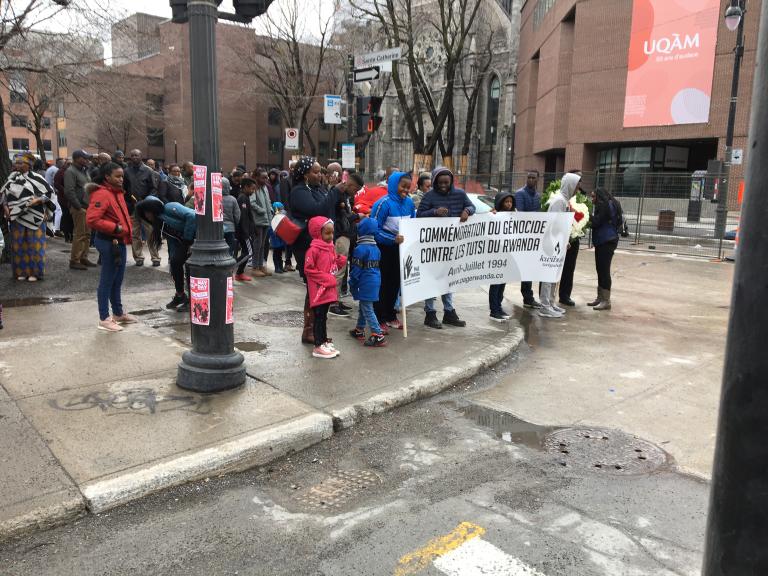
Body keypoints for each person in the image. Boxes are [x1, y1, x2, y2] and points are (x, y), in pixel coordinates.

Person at [416, 166, 475, 329]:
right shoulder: (429, 196)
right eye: (440, 182)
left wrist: (467, 211)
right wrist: (434, 211)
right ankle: (430, 312)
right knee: (432, 279)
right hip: (433, 246)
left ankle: (449, 312)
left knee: (449, 278)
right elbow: (419, 215)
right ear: (435, 182)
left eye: (446, 182)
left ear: (451, 182)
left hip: (453, 245)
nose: (443, 185)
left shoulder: (460, 194)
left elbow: (472, 207)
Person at [289, 157, 339, 344]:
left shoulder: (317, 189)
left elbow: (328, 212)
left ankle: (315, 330)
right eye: (316, 172)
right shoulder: (299, 192)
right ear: (304, 174)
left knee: (317, 288)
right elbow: (319, 210)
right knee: (313, 286)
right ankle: (309, 330)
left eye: (320, 172)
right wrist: (333, 191)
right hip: (306, 246)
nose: (320, 175)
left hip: (320, 246)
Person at [86, 162, 136, 332]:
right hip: (109, 242)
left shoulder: (117, 192)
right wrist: (115, 228)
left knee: (117, 279)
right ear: (107, 177)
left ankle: (118, 313)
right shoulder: (102, 194)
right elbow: (92, 220)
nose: (121, 179)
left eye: (122, 176)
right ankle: (104, 318)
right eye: (117, 176)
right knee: (107, 280)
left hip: (118, 241)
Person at [0, 152, 55, 281]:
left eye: (20, 163)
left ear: (28, 165)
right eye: (16, 163)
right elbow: (4, 196)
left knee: (34, 245)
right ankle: (21, 272)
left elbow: (49, 194)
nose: (17, 165)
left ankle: (35, 273)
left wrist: (37, 201)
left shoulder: (37, 178)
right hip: (16, 217)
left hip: (35, 216)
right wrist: (6, 208)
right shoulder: (12, 178)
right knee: (18, 245)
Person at [136, 196, 196, 312]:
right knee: (175, 264)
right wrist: (173, 256)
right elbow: (172, 240)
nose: (147, 216)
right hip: (184, 243)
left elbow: (192, 216)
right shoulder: (159, 223)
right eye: (144, 214)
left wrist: (187, 240)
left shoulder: (170, 207)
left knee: (190, 268)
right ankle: (180, 295)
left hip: (195, 239)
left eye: (147, 212)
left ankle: (193, 299)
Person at [372, 171, 415, 332]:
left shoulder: (409, 203)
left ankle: (390, 315)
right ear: (393, 184)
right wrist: (391, 239)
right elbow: (373, 228)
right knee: (382, 284)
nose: (405, 190)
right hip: (384, 249)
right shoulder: (383, 204)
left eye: (408, 187)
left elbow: (413, 223)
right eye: (402, 186)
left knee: (395, 284)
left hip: (401, 250)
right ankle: (379, 317)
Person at [538, 171, 581, 319]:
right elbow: (553, 224)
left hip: (558, 244)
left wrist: (565, 241)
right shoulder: (559, 202)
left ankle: (550, 302)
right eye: (575, 186)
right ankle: (544, 305)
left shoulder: (564, 201)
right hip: (552, 244)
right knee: (548, 275)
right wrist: (561, 241)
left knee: (554, 275)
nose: (577, 190)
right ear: (570, 185)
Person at [304, 216, 346, 359]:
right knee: (319, 317)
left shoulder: (330, 247)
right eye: (327, 233)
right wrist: (326, 278)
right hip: (319, 291)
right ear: (318, 233)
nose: (331, 236)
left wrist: (339, 261)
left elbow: (332, 265)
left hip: (327, 289)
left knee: (324, 317)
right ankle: (318, 345)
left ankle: (323, 341)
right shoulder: (313, 250)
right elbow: (309, 270)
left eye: (332, 233)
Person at [348, 217, 386, 347]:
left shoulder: (360, 249)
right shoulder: (377, 249)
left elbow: (356, 270)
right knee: (364, 306)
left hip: (365, 282)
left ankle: (378, 334)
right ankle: (359, 329)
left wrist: (352, 283)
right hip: (376, 281)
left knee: (368, 308)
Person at [589, 187, 622, 311]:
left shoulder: (605, 206)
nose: (592, 199)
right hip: (606, 240)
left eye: (593, 197)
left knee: (604, 270)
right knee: (600, 269)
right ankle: (600, 297)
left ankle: (606, 300)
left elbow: (596, 222)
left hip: (606, 241)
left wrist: (586, 215)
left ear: (599, 196)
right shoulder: (610, 203)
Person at [124, 149, 160, 267]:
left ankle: (155, 257)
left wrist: (147, 201)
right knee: (135, 233)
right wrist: (128, 201)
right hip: (133, 207)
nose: (134, 157)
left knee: (150, 232)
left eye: (137, 155)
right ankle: (138, 257)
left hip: (145, 206)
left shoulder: (148, 171)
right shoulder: (126, 171)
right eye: (132, 155)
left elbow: (154, 188)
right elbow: (124, 188)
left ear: (141, 157)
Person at [515, 170, 543, 309]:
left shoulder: (538, 196)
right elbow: (521, 214)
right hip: (523, 237)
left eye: (533, 178)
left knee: (530, 269)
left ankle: (529, 297)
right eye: (529, 177)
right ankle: (527, 296)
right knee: (525, 269)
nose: (530, 180)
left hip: (534, 237)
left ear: (538, 179)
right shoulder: (520, 193)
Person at [64, 149, 95, 270]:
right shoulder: (70, 171)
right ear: (77, 159)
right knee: (80, 234)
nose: (87, 160)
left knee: (87, 234)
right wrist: (79, 207)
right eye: (84, 158)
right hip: (79, 208)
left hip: (87, 207)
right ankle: (74, 260)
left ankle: (83, 257)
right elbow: (69, 191)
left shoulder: (84, 170)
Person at [489, 191, 516, 322]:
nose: (509, 204)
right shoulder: (494, 215)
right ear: (500, 203)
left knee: (502, 283)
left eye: (510, 202)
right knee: (495, 283)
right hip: (496, 255)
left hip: (507, 255)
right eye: (506, 202)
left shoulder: (513, 215)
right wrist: (491, 215)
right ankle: (494, 310)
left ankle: (499, 307)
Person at [558, 171, 584, 308]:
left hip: (573, 238)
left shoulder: (579, 198)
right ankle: (547, 301)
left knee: (569, 268)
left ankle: (565, 295)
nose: (578, 186)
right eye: (577, 182)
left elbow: (583, 215)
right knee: (554, 269)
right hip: (560, 241)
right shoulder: (559, 199)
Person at [250, 168, 274, 277]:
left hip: (266, 220)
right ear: (256, 177)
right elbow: (252, 202)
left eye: (266, 177)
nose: (266, 179)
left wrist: (271, 210)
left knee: (263, 244)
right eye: (263, 177)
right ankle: (255, 267)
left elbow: (268, 201)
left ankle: (261, 265)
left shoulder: (265, 187)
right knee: (257, 244)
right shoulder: (254, 188)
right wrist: (263, 210)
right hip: (258, 221)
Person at [234, 177, 257, 282]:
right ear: (245, 187)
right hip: (244, 233)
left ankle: (239, 273)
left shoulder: (245, 197)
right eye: (252, 189)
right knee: (249, 252)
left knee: (247, 251)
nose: (253, 191)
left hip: (246, 232)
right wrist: (246, 233)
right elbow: (242, 217)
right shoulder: (242, 198)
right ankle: (231, 268)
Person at [54, 159, 73, 242]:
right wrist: (65, 190)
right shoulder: (60, 172)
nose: (69, 165)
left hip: (71, 198)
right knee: (66, 215)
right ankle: (67, 235)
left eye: (71, 164)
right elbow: (56, 184)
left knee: (71, 216)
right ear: (65, 164)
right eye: (68, 163)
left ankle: (71, 234)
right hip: (63, 198)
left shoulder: (71, 172)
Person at [222, 177, 241, 258]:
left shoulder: (214, 199)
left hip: (218, 229)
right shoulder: (233, 199)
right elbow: (237, 215)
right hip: (230, 228)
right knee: (230, 247)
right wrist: (235, 224)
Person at [268, 202, 287, 273]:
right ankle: (277, 267)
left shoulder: (282, 217)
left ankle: (280, 267)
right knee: (276, 253)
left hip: (280, 239)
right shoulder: (273, 218)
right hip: (276, 239)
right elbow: (270, 229)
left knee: (280, 254)